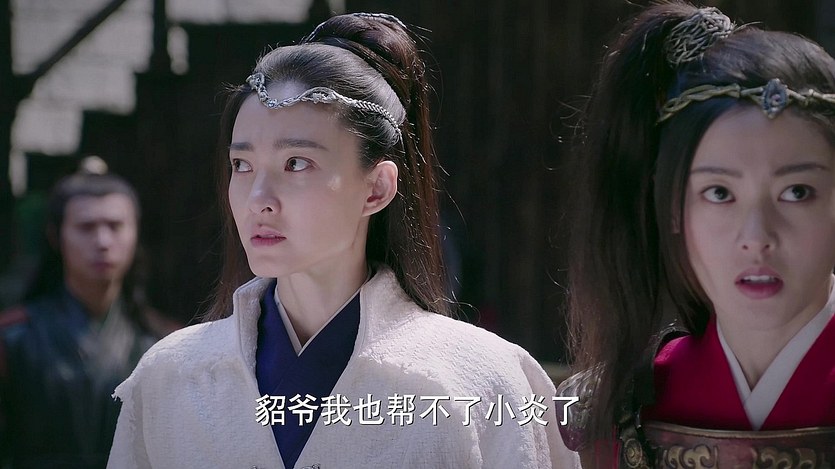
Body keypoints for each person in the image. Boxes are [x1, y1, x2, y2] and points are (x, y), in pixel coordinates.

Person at [108, 13, 578, 469]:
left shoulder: (480, 381)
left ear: (376, 188)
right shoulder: (170, 378)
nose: (258, 200)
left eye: (296, 163)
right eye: (242, 165)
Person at [558, 1, 835, 466]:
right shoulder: (614, 410)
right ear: (672, 209)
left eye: (797, 191)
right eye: (720, 193)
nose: (756, 237)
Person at [0, 157, 174, 468]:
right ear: (55, 236)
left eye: (115, 226)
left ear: (135, 233)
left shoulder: (164, 343)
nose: (103, 242)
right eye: (86, 227)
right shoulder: (13, 339)